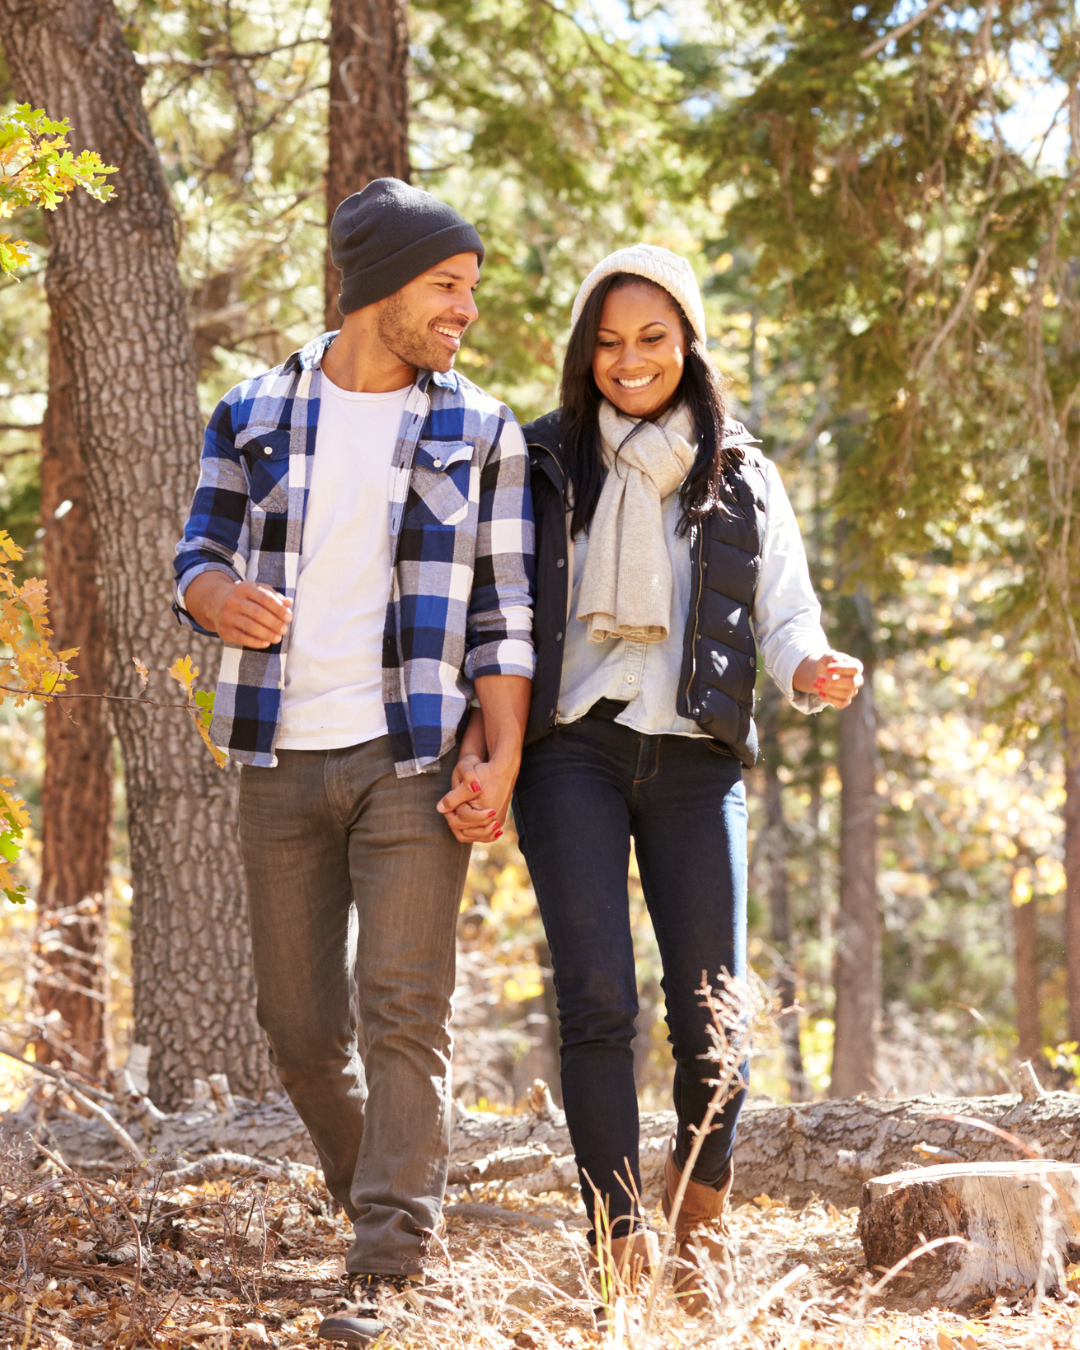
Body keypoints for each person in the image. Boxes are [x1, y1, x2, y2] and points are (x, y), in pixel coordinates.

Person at [440, 244, 862, 1313]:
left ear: (688, 342)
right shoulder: (542, 460)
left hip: (695, 755)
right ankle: (619, 1242)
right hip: (569, 751)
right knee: (595, 1002)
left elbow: (784, 613)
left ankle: (701, 1206)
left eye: (653, 338)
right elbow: (494, 607)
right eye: (610, 342)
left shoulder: (741, 471)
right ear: (585, 352)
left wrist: (811, 667)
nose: (630, 360)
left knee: (716, 1015)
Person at [174, 178, 533, 1347]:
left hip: (412, 754)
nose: (465, 309)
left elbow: (505, 613)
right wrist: (215, 597)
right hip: (277, 753)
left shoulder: (481, 427)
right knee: (296, 1028)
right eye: (448, 285)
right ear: (379, 286)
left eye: (470, 287)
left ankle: (387, 1262)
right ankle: (371, 1190)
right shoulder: (250, 410)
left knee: (404, 1009)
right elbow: (197, 552)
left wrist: (501, 753)